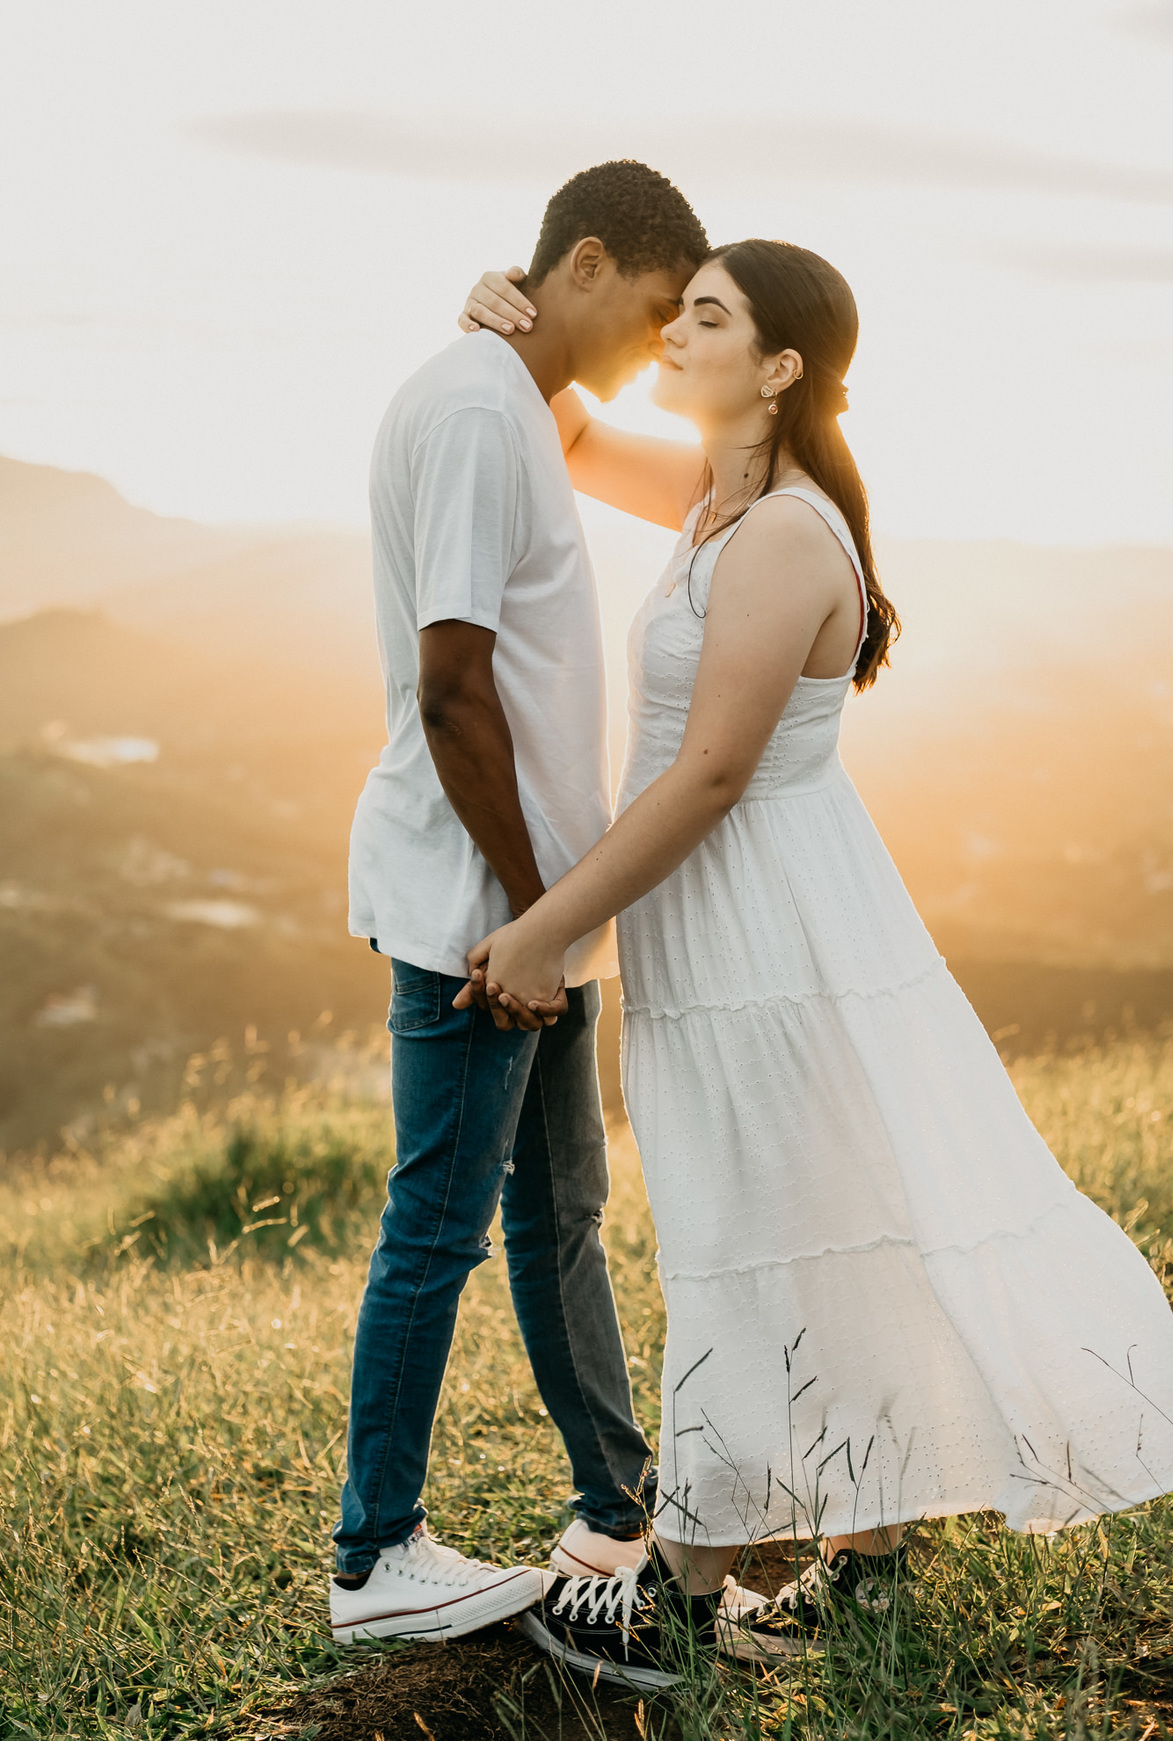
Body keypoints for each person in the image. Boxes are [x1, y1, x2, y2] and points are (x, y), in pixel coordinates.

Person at [453, 241, 1173, 1687]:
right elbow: (571, 428)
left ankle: (675, 1598)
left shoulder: (787, 533)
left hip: (767, 920)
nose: (676, 329)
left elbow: (714, 770)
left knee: (745, 1224)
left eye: (709, 316)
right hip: (740, 916)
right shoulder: (720, 497)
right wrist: (498, 310)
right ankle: (863, 1568)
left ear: (780, 366)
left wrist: (553, 925)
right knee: (815, 1203)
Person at [330, 161, 709, 1646]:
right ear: (592, 263)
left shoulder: (506, 397)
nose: (664, 344)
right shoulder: (486, 409)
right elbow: (450, 684)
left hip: (540, 905)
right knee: (440, 1226)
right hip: (490, 916)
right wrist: (535, 916)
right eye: (661, 310)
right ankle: (375, 1560)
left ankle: (613, 1507)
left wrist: (562, 913)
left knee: (561, 1217)